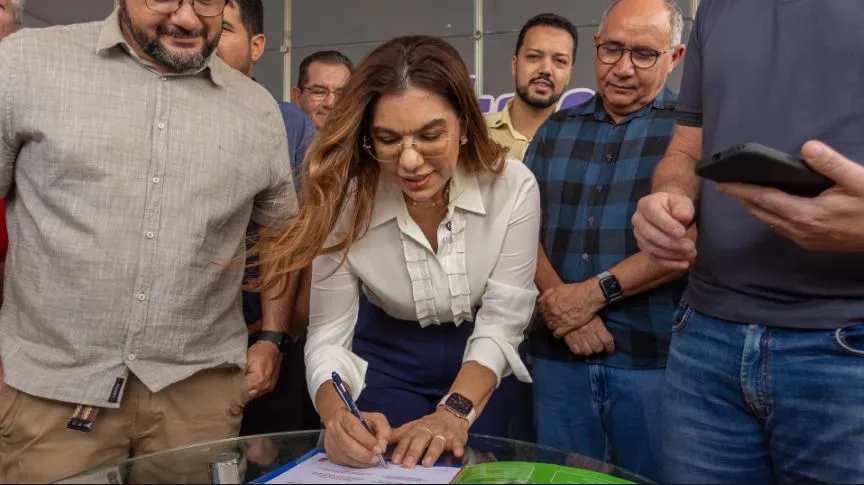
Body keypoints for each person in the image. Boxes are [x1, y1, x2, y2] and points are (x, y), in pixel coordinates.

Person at [0, 0, 297, 481]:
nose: (186, 19)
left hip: (198, 396)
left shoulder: (256, 109)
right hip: (50, 392)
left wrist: (270, 337)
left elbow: (280, 232)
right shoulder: (24, 64)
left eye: (205, 1)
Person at [252, 35, 541, 470]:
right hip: (385, 358)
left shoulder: (513, 187)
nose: (408, 161)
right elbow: (329, 333)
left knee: (481, 470)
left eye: (430, 135)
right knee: (384, 467)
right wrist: (337, 416)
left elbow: (502, 320)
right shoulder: (345, 201)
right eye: (387, 140)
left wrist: (454, 412)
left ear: (463, 124)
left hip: (482, 356)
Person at [631, 1, 864, 483]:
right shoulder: (715, 8)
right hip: (705, 341)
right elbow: (685, 147)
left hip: (848, 346)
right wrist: (668, 196)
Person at [523, 0, 686, 480]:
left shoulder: (690, 133)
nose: (623, 68)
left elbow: (689, 244)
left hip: (655, 361)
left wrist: (590, 295)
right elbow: (519, 231)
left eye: (643, 54)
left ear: (674, 58)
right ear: (595, 46)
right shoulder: (555, 131)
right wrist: (561, 307)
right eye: (611, 49)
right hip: (558, 357)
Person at [216, 0, 321, 436]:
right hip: (179, 348)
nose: (206, 38)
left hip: (261, 337)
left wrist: (278, 335)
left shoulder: (290, 125)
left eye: (222, 28)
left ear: (256, 45)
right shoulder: (158, 115)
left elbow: (301, 239)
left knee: (264, 458)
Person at [485, 13, 575, 161]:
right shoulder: (476, 134)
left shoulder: (580, 141)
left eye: (559, 61)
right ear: (515, 65)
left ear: (569, 75)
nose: (546, 69)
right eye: (534, 57)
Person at [292, 50, 353, 130]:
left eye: (341, 94)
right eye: (319, 92)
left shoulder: (366, 140)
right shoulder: (280, 140)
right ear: (297, 98)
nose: (330, 103)